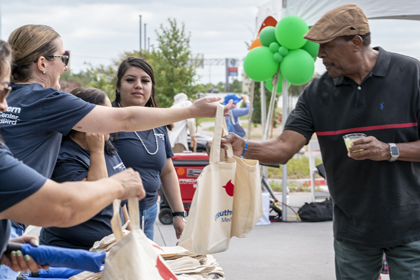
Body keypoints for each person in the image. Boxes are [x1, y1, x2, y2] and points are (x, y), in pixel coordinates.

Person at [221, 4, 420, 280]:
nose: (320, 55)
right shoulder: (317, 92)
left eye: (326, 47)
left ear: (356, 42)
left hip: (412, 228)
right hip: (353, 232)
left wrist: (389, 150)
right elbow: (283, 148)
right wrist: (242, 147)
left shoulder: (412, 74)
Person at [0, 24, 233, 245]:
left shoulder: (9, 97)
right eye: (64, 58)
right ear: (42, 63)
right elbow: (126, 119)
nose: (66, 67)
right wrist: (192, 110)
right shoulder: (46, 100)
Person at [0, 40, 145, 275]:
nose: (6, 105)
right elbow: (67, 207)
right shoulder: (66, 154)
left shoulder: (107, 148)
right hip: (74, 247)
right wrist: (117, 185)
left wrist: (4, 249)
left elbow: (118, 207)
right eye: (4, 91)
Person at [40, 87, 131, 250]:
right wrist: (96, 151)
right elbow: (96, 197)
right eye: (106, 115)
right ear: (85, 119)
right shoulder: (64, 156)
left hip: (108, 248)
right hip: (71, 253)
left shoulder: (106, 147)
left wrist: (131, 235)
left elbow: (120, 201)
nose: (113, 120)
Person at [111, 57, 186, 240]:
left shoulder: (158, 124)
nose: (139, 85)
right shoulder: (108, 121)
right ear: (118, 87)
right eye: (130, 80)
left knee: (145, 267)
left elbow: (167, 172)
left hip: (149, 212)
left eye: (145, 81)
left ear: (152, 87)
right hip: (116, 216)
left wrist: (178, 214)